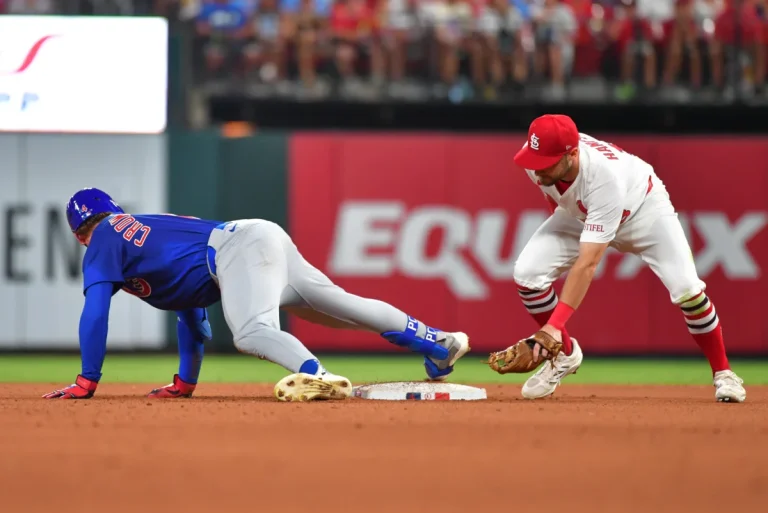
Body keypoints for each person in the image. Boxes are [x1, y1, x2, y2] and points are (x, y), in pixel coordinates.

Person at [42, 188, 469, 401]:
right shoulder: (139, 237)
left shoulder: (103, 240)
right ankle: (437, 343)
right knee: (340, 307)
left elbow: (95, 311)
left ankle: (317, 378)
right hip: (252, 240)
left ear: (81, 234)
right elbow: (189, 311)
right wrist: (185, 383)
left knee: (250, 331)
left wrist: (87, 380)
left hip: (236, 251)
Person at [505, 114, 746, 402]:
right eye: (535, 159)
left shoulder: (604, 178)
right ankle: (566, 355)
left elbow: (588, 263)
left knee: (688, 290)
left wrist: (552, 327)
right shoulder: (539, 159)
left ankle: (724, 373)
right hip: (584, 215)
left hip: (644, 210)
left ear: (572, 154)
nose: (537, 168)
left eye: (545, 162)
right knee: (528, 274)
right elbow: (553, 194)